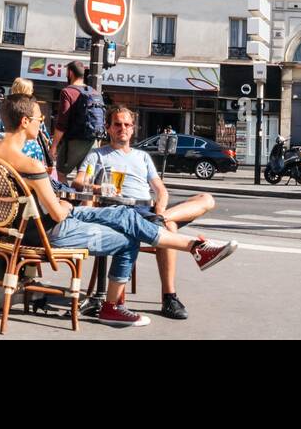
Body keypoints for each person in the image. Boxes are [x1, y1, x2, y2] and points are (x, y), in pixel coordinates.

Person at [0, 94, 236, 327]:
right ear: (25, 121)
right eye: (39, 118)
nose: (41, 122)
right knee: (129, 238)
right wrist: (65, 203)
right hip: (48, 229)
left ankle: (195, 248)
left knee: (126, 216)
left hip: (19, 227)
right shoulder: (31, 164)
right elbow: (58, 213)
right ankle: (112, 306)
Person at [75, 107, 216, 320]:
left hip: (147, 211)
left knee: (206, 199)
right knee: (170, 228)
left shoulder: (142, 157)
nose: (122, 128)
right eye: (117, 124)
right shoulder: (97, 155)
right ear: (109, 128)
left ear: (133, 129)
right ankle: (170, 297)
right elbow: (79, 181)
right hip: (118, 211)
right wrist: (98, 188)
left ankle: (161, 220)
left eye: (126, 124)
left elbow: (160, 190)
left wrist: (160, 209)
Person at [50, 60, 106, 177]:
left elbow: (62, 123)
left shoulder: (67, 92)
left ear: (70, 73)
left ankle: (65, 195)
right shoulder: (94, 92)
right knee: (85, 178)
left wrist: (54, 146)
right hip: (92, 142)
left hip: (73, 142)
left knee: (60, 174)